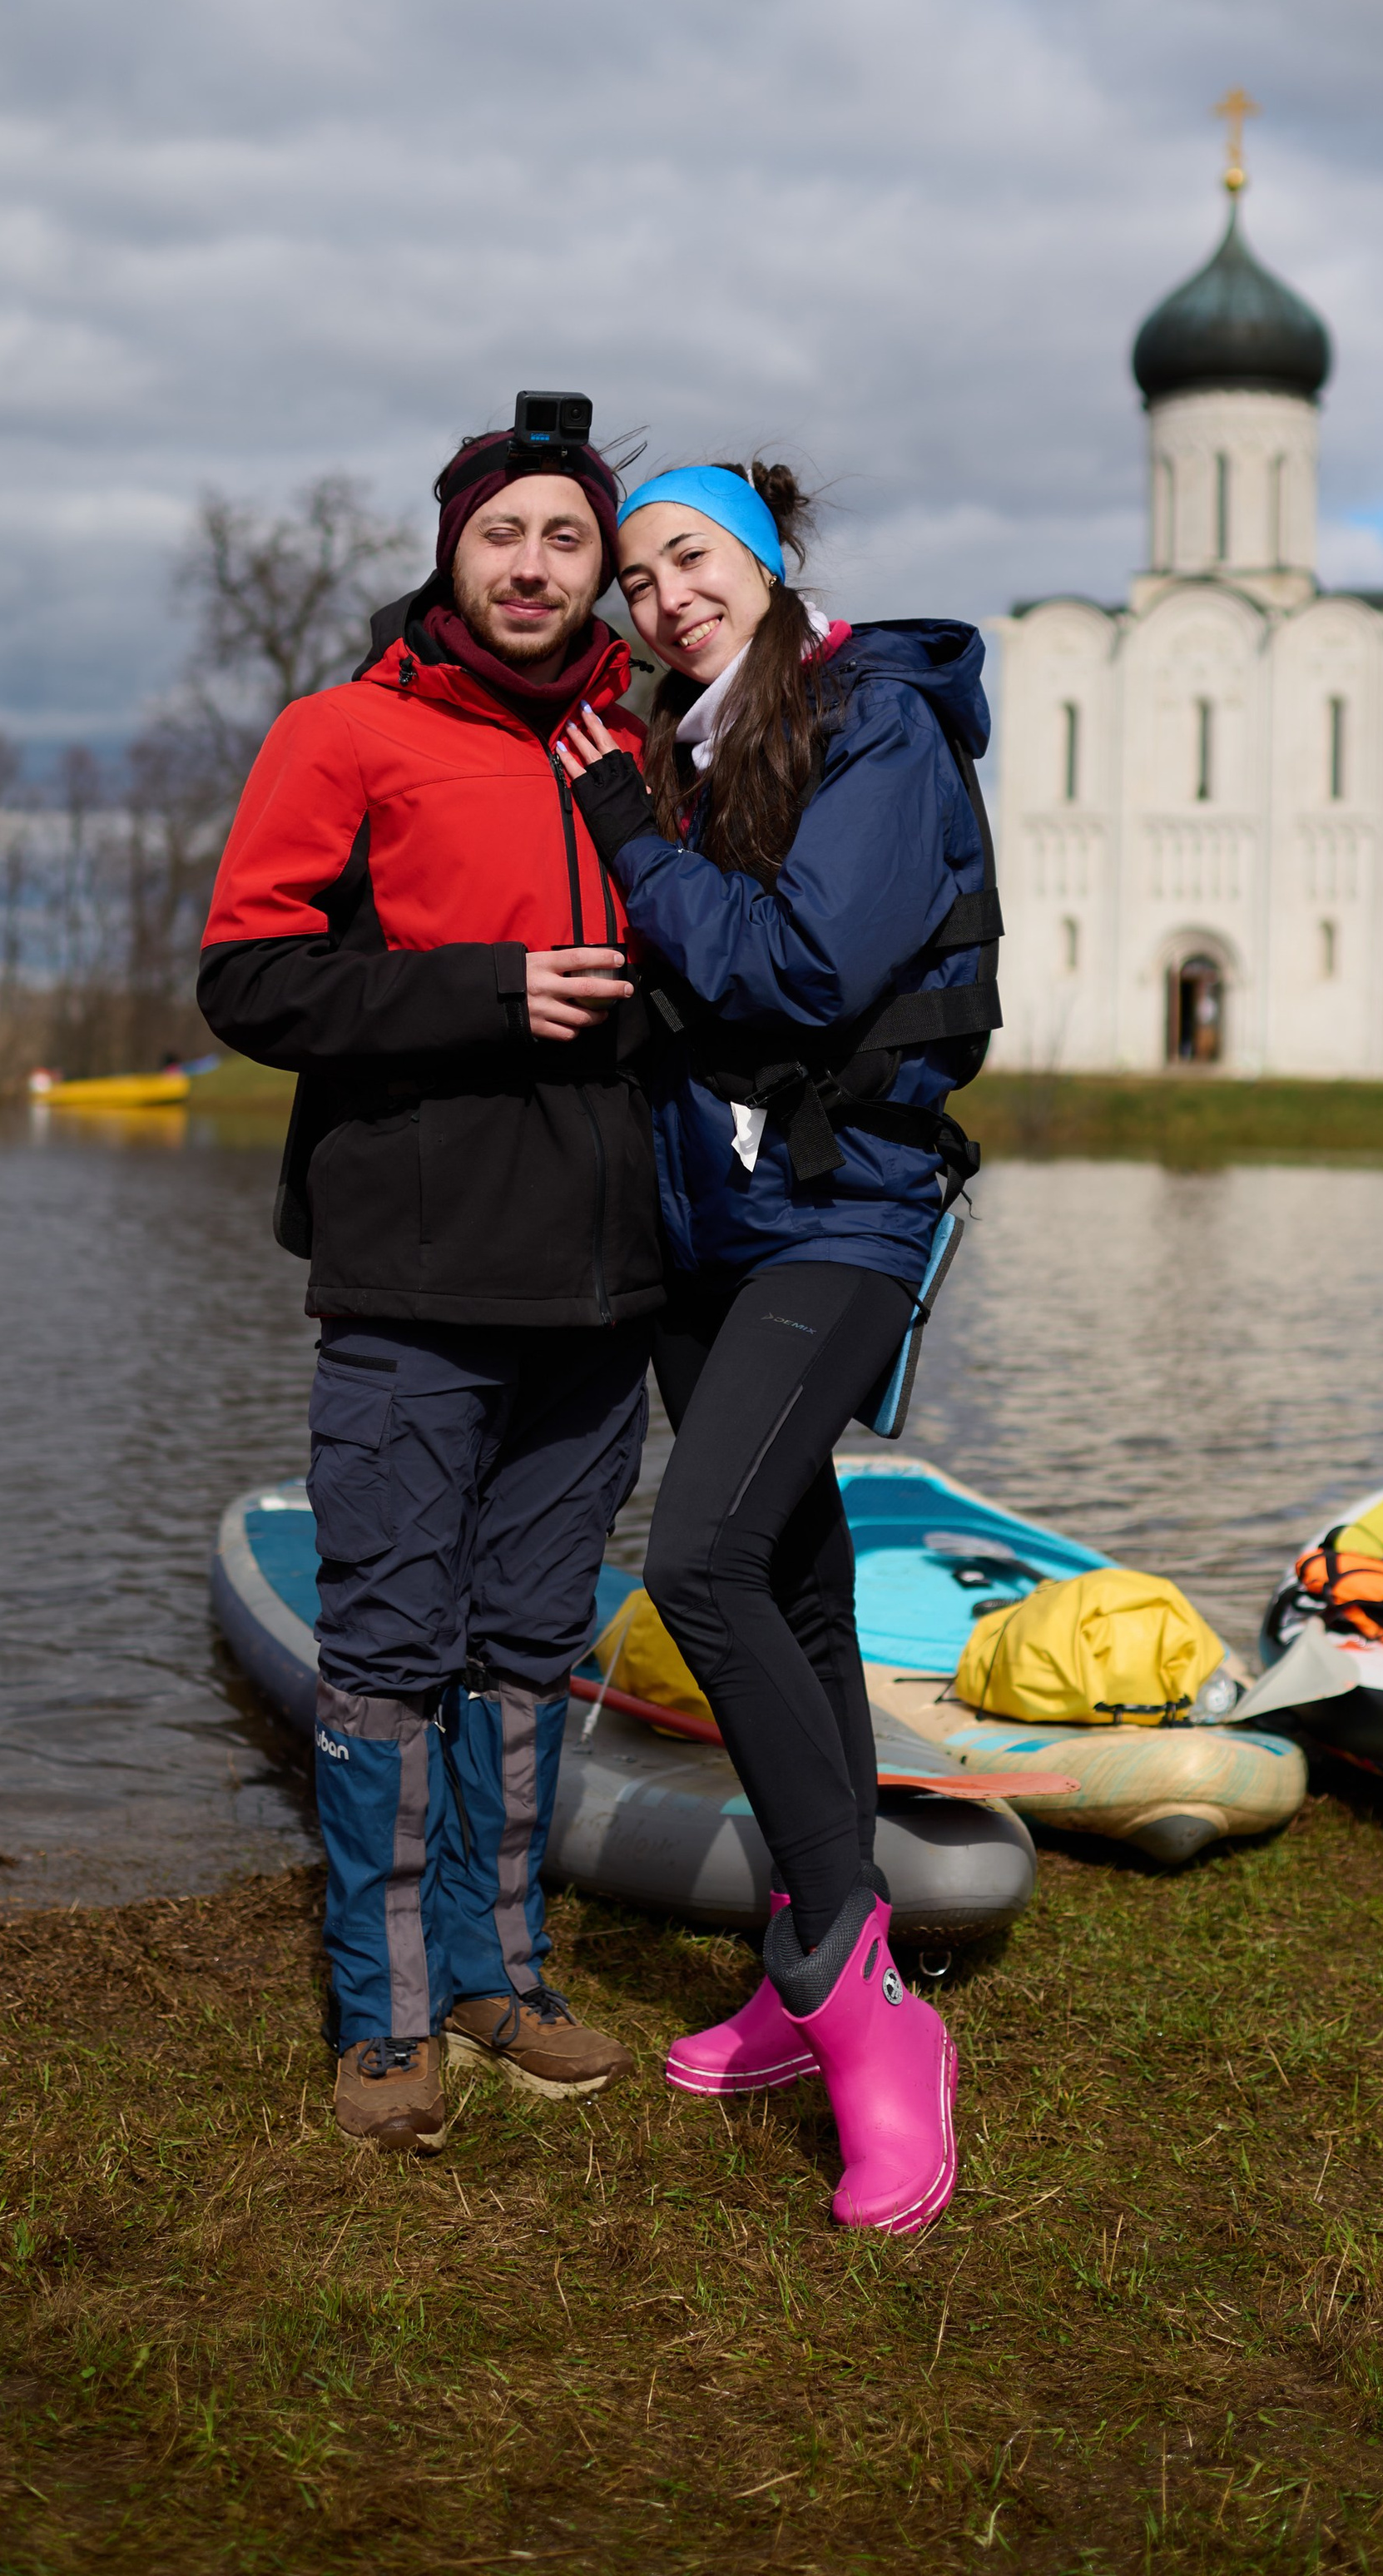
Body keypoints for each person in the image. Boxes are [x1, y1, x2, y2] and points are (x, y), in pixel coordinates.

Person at [197, 408, 664, 2155]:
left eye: (565, 538)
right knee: (390, 1648)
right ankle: (385, 2010)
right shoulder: (346, 730)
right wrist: (485, 989)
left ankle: (502, 1973)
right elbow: (247, 979)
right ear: (453, 549)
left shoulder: (635, 744)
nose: (534, 566)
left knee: (534, 1647)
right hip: (411, 1283)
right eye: (504, 536)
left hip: (601, 1296)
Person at [556, 459, 995, 2236]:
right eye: (638, 577)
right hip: (701, 1230)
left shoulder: (872, 724)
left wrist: (633, 844)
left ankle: (864, 2013)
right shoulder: (669, 737)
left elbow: (804, 969)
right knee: (796, 1585)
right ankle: (812, 1962)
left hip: (846, 1216)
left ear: (763, 558)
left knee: (706, 1556)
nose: (665, 597)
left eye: (692, 559)